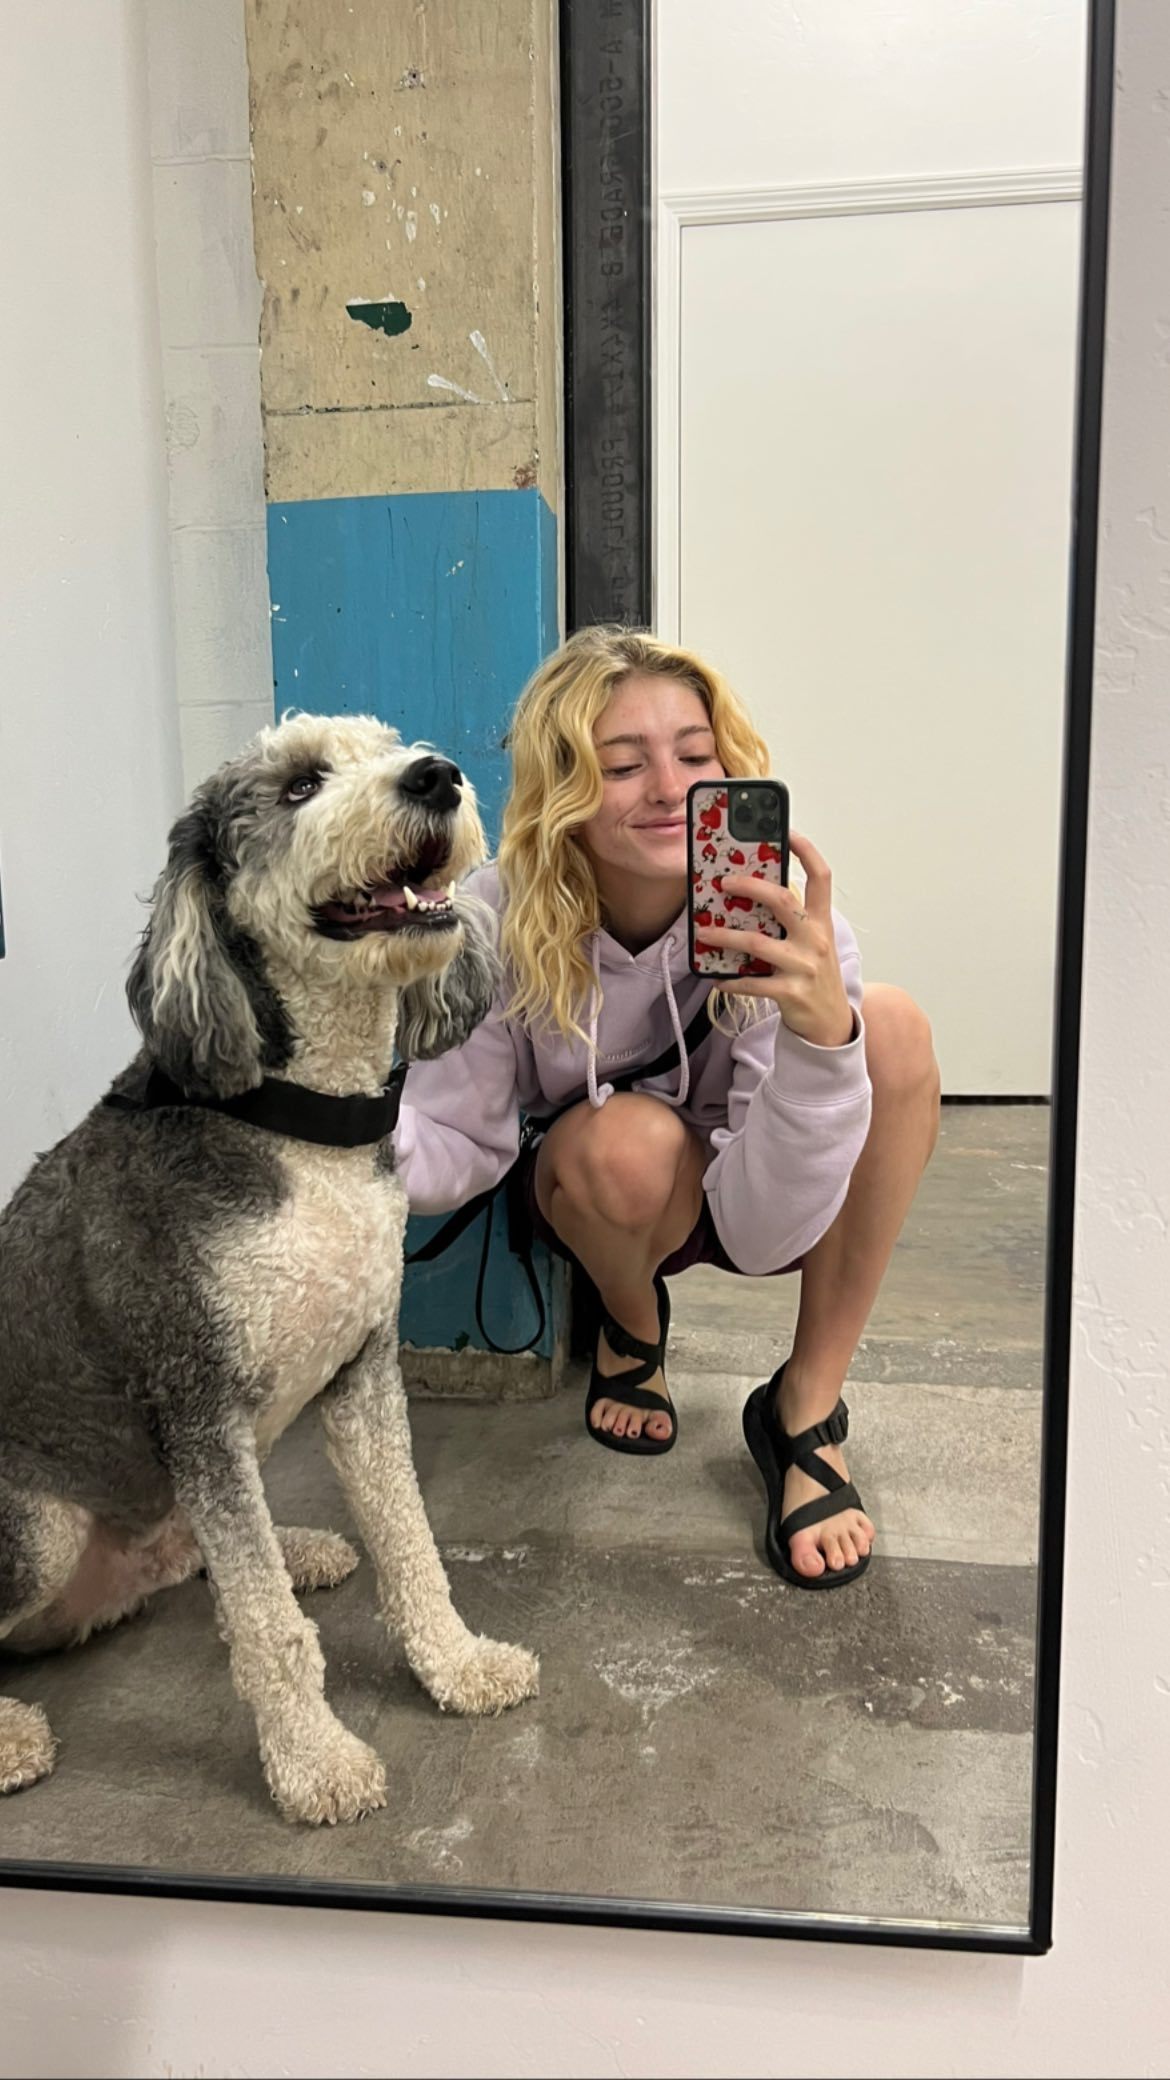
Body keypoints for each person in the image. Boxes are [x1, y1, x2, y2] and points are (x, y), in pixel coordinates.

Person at [396, 627, 940, 1590]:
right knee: (627, 1143)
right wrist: (330, 1125)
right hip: (602, 1193)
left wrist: (820, 1041)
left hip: (768, 1186)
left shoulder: (781, 922)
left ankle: (806, 1406)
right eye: (621, 764)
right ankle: (632, 1321)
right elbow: (456, 1139)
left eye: (695, 755)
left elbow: (766, 1233)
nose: (668, 788)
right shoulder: (497, 915)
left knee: (886, 1027)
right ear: (564, 786)